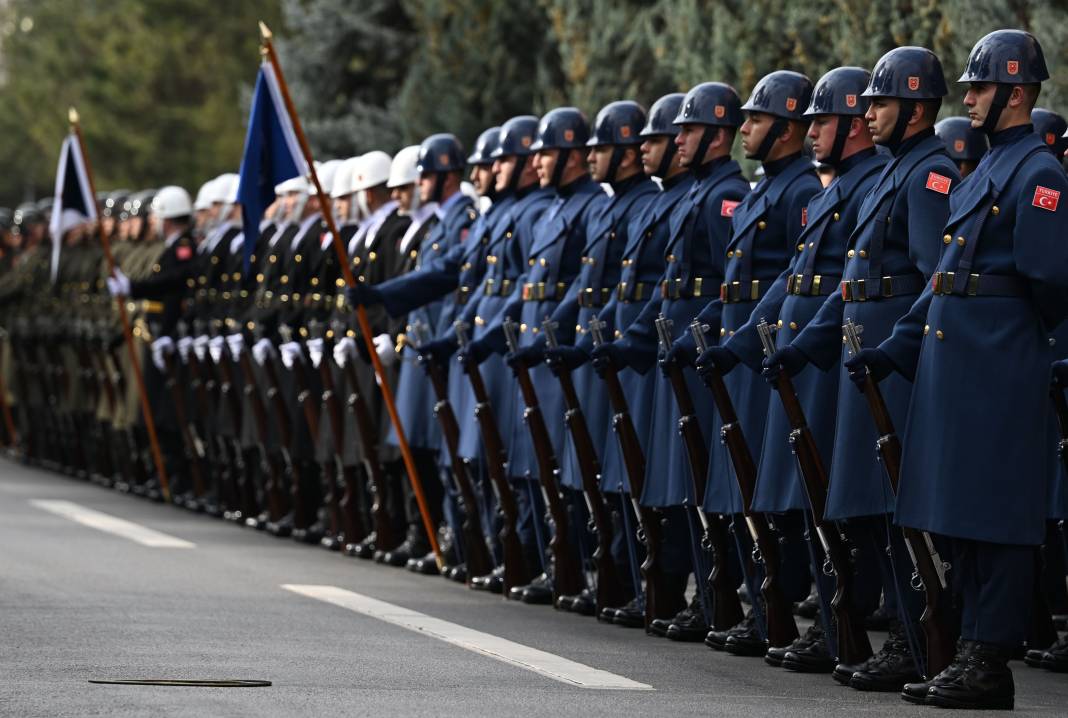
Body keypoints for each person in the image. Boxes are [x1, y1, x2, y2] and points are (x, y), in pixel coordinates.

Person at [848, 29, 1068, 710]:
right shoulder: (985, 170)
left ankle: (988, 661)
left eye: (979, 85)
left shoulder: (1039, 173)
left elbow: (1052, 282)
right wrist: (900, 345)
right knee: (959, 517)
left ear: (1018, 91)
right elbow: (944, 279)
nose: (967, 97)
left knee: (996, 519)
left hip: (998, 368)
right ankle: (970, 646)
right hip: (958, 364)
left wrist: (1018, 350)